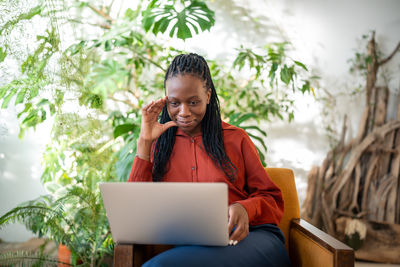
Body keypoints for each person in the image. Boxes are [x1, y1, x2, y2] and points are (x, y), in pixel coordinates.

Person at [128, 53, 291, 267]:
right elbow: (136, 211)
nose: (183, 112)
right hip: (194, 248)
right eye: (174, 103)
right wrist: (144, 142)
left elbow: (272, 198)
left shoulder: (236, 138)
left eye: (193, 102)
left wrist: (244, 208)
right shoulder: (159, 145)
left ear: (208, 95)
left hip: (252, 237)